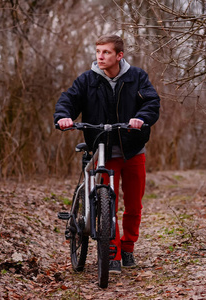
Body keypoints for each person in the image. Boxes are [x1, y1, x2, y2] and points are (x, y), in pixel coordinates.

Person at [54, 34, 160, 274]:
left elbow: (152, 102)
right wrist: (63, 117)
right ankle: (111, 252)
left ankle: (128, 247)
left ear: (119, 55)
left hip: (132, 150)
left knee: (133, 205)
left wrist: (141, 118)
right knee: (106, 204)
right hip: (103, 151)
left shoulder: (137, 77)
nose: (100, 56)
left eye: (106, 52)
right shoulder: (87, 80)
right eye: (98, 51)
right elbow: (68, 100)